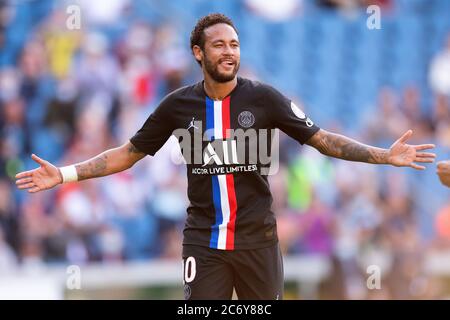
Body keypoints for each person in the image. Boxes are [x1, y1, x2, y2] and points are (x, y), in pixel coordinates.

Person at [15, 13, 436, 300]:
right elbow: (128, 154)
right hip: (205, 242)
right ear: (198, 53)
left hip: (259, 241)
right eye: (218, 45)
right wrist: (66, 174)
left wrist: (384, 155)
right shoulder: (177, 107)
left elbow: (322, 140)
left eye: (234, 44)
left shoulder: (265, 99)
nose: (228, 52)